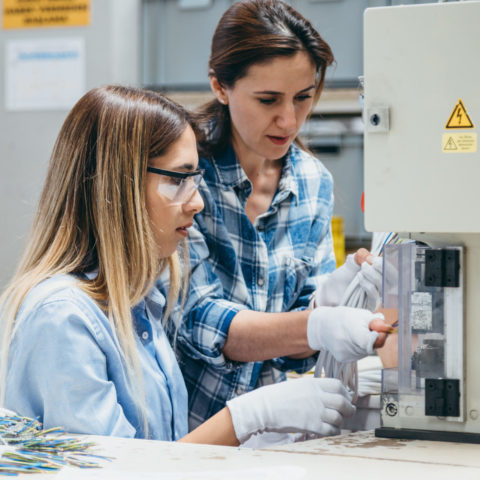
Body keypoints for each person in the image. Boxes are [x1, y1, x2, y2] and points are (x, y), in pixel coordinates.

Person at [0, 85, 357, 445]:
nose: (197, 202)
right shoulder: (63, 318)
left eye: (195, 179)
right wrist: (249, 418)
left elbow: (161, 451)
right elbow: (117, 475)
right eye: (176, 179)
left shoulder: (142, 302)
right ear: (117, 185)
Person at [171, 0, 389, 430]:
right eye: (268, 99)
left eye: (303, 98)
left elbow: (299, 345)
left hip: (268, 435)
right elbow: (199, 322)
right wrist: (316, 324)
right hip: (186, 433)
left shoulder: (311, 182)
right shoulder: (185, 174)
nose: (289, 120)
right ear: (220, 86)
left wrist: (334, 298)